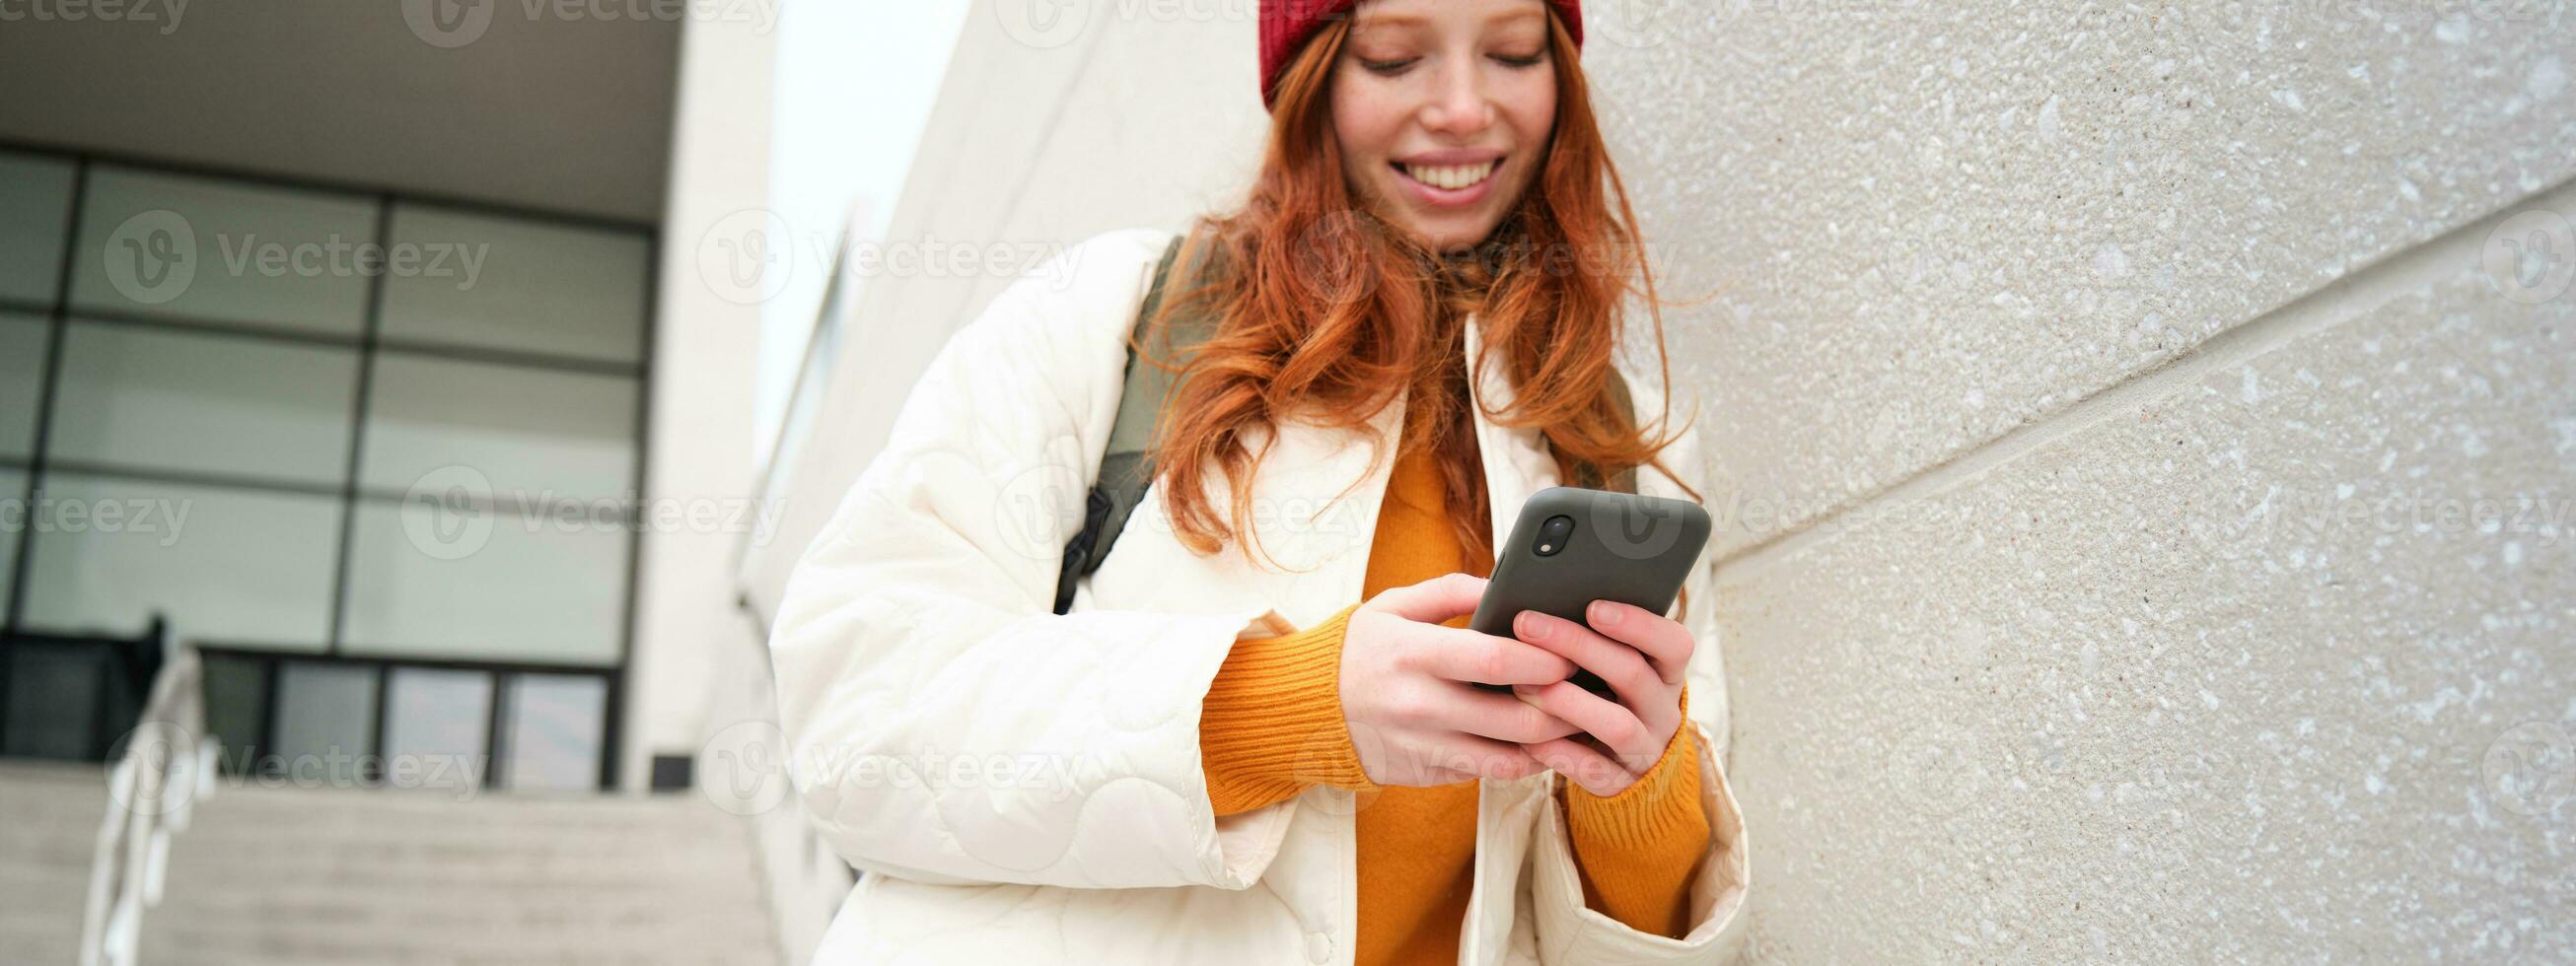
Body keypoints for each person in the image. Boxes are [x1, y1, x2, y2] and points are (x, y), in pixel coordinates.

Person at [765, 0, 1748, 962]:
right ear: (1307, 74)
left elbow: (1632, 931)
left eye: (1512, 51)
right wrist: (1287, 705)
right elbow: (856, 708)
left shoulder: (1618, 434)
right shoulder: (1116, 317)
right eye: (1396, 57)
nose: (1459, 106)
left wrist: (1632, 787)